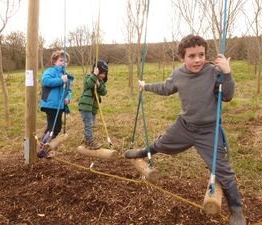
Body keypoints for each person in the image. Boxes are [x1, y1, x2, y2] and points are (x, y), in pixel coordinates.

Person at [125, 35, 246, 225]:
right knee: (163, 143)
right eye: (192, 56)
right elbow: (165, 88)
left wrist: (227, 73)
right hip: (185, 126)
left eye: (201, 55)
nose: (198, 60)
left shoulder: (213, 72)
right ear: (182, 57)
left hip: (208, 131)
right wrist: (145, 86)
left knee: (223, 170)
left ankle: (236, 210)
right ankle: (144, 151)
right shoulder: (179, 74)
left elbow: (228, 96)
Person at [37, 50, 74, 159]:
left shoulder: (66, 75)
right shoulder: (50, 71)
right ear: (54, 61)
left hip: (60, 105)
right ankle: (43, 148)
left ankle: (45, 148)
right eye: (61, 60)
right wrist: (60, 80)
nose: (63, 63)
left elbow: (69, 91)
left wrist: (67, 98)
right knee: (55, 127)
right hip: (50, 104)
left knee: (53, 127)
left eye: (65, 61)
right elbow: (46, 81)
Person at [78, 60, 108, 149]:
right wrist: (94, 76)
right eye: (101, 73)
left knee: (91, 124)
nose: (103, 75)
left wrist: (99, 85)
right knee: (89, 124)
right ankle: (89, 140)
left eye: (104, 74)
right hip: (86, 106)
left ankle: (86, 139)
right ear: (96, 71)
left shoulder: (101, 82)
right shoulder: (89, 77)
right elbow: (87, 84)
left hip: (93, 107)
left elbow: (104, 92)